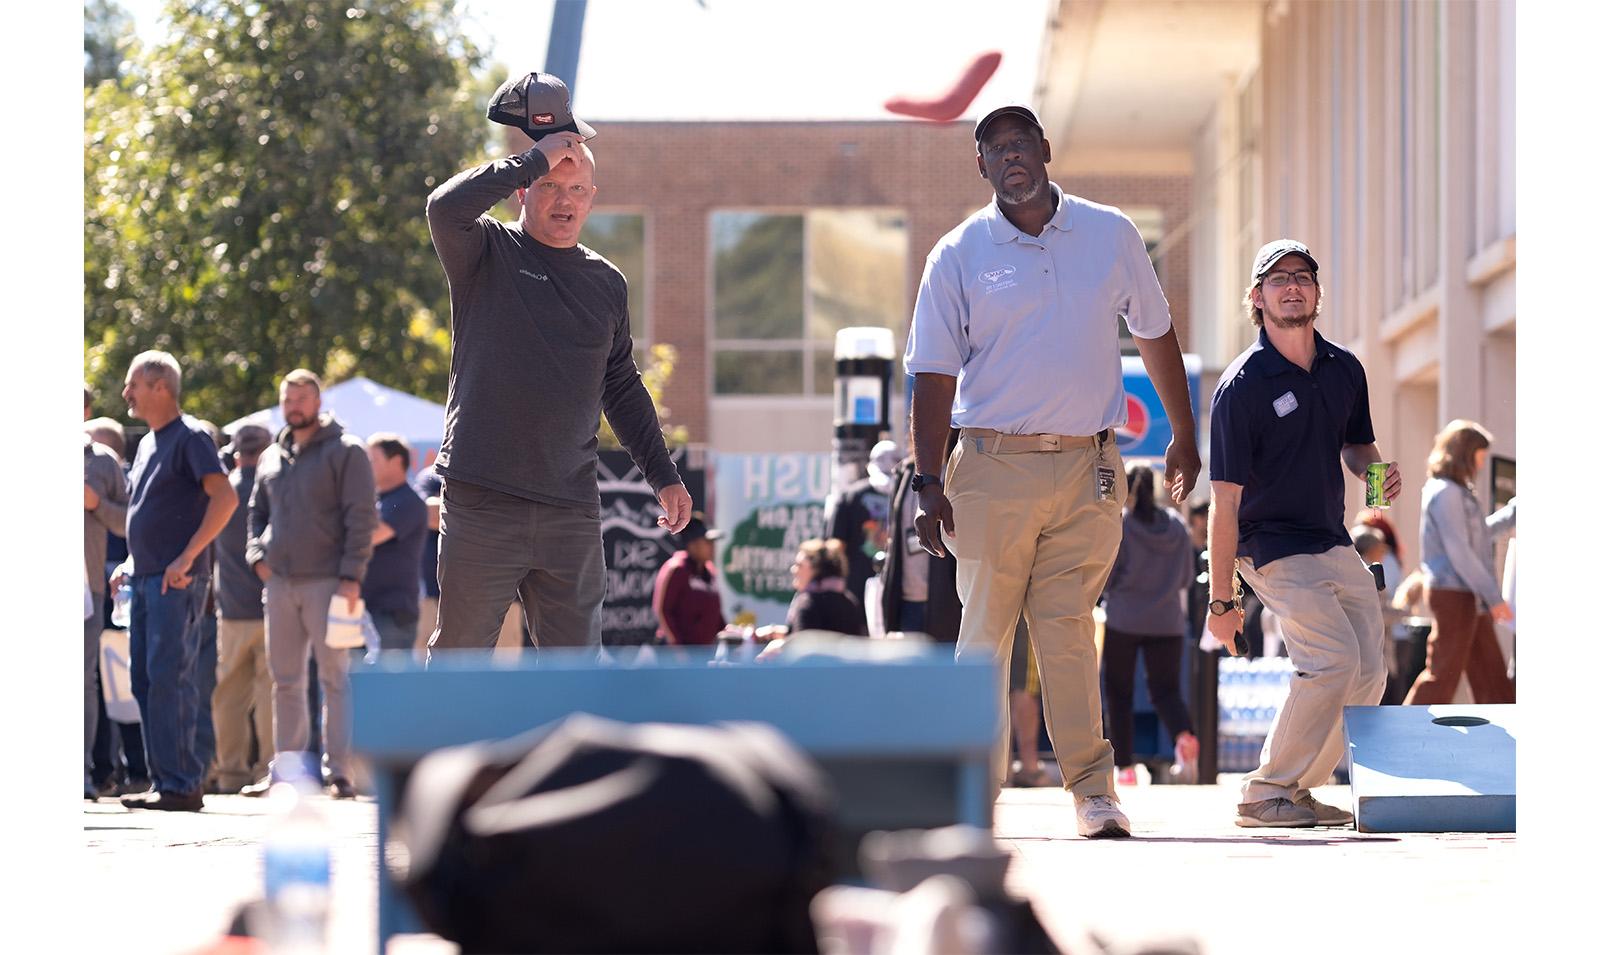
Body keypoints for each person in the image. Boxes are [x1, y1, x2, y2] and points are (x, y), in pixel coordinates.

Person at [904, 103, 1200, 838]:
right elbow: (932, 375)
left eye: (1020, 142)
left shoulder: (1110, 233)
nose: (1010, 156)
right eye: (994, 148)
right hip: (989, 466)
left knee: (1067, 627)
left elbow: (1155, 331)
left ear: (1043, 148)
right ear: (981, 166)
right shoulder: (959, 253)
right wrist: (927, 479)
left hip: (1089, 466)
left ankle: (1094, 793)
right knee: (985, 635)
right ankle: (976, 795)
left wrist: (1185, 434)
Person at [424, 72, 690, 653]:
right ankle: (440, 750)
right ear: (525, 193)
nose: (564, 200)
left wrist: (663, 475)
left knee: (575, 672)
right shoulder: (486, 251)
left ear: (592, 199)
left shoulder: (606, 284)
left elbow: (621, 387)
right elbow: (443, 207)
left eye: (578, 190)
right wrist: (531, 159)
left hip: (570, 505)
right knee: (459, 661)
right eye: (550, 186)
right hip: (483, 496)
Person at [1205, 239, 1401, 828]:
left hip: (1331, 538)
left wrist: (1374, 481)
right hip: (1269, 546)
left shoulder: (1345, 368)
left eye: (1304, 277)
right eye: (1278, 279)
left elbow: (1356, 444)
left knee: (1370, 670)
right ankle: (1265, 790)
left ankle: (1297, 788)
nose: (1293, 286)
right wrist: (1221, 601)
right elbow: (1224, 501)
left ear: (1317, 292)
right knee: (1331, 660)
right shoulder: (1242, 386)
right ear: (1257, 298)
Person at [245, 369, 377, 799]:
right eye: (288, 398)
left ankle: (340, 772)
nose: (295, 405)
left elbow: (362, 519)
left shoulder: (347, 451)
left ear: (318, 402)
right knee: (284, 681)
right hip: (280, 585)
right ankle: (289, 773)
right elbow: (255, 513)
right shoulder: (271, 455)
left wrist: (351, 577)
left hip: (332, 584)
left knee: (336, 679)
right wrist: (257, 558)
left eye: (303, 398)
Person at [117, 351, 238, 811]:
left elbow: (224, 499)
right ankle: (165, 781)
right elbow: (150, 514)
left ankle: (183, 784)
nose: (126, 393)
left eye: (133, 384)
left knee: (171, 678)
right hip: (146, 579)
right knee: (146, 681)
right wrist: (129, 562)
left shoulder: (191, 438)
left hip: (177, 582)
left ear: (160, 386)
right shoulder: (148, 442)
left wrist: (187, 557)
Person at [1403, 420, 1516, 705]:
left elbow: (1478, 537)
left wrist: (1514, 510)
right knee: (1442, 675)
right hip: (1455, 594)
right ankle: (1404, 731)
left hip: (1467, 595)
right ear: (1467, 452)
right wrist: (1493, 597)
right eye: (1481, 453)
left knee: (1491, 678)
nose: (1482, 461)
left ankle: (1507, 742)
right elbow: (1461, 552)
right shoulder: (1446, 493)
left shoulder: (1454, 491)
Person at [1099, 463, 1199, 785]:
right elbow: (1186, 577)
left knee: (1119, 692)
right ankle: (1184, 736)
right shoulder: (1176, 525)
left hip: (1124, 619)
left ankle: (1124, 767)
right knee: (1166, 691)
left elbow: (1108, 575)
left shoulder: (1122, 525)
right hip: (1168, 621)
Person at [209, 424, 274, 794]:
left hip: (231, 609)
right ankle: (269, 768)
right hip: (270, 604)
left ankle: (230, 773)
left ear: (236, 454)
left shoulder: (224, 491)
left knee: (229, 695)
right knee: (270, 692)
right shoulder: (274, 488)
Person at [84, 425, 129, 800]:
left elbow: (129, 522)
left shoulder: (103, 463)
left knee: (85, 682)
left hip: (89, 590)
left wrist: (95, 503)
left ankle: (85, 771)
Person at [363, 433, 429, 654]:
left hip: (392, 612)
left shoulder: (408, 501)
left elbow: (369, 536)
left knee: (388, 686)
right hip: (367, 608)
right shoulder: (375, 500)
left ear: (397, 461)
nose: (367, 466)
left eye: (373, 460)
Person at [825, 440, 899, 609]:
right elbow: (836, 545)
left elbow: (836, 546)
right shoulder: (909, 495)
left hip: (861, 586)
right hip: (889, 585)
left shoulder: (849, 495)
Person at [651, 513, 726, 646]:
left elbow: (714, 613)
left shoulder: (709, 570)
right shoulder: (676, 569)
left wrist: (728, 631)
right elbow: (662, 610)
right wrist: (677, 649)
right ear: (692, 544)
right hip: (674, 658)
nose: (712, 547)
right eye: (707, 542)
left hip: (702, 656)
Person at [776, 539, 868, 636]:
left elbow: (802, 646)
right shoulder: (849, 601)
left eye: (799, 565)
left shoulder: (808, 603)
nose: (793, 570)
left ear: (816, 569)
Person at [413, 457, 443, 652]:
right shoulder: (433, 475)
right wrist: (481, 513)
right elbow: (427, 513)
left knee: (504, 663)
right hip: (434, 593)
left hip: (496, 594)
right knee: (426, 662)